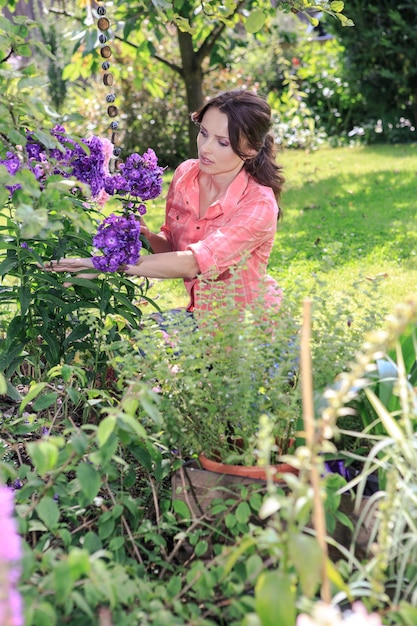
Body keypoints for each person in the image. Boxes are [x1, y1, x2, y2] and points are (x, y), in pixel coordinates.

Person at [44, 89, 285, 313]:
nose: (205, 148)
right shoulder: (186, 176)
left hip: (251, 333)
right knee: (132, 346)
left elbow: (194, 263)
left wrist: (106, 263)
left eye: (222, 142)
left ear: (251, 150)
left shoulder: (258, 204)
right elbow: (173, 247)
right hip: (201, 320)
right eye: (203, 133)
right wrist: (144, 236)